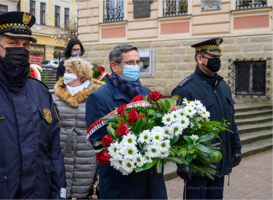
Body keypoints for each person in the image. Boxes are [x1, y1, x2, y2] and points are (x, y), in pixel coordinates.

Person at [0, 11, 66, 199]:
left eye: (25, 45)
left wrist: (59, 193)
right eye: (13, 43)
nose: (21, 49)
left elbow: (54, 151)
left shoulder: (40, 91)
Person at [85, 44, 167, 199]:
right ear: (114, 67)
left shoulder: (149, 95)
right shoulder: (99, 98)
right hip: (122, 186)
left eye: (138, 62)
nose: (136, 67)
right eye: (130, 63)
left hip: (152, 184)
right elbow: (101, 144)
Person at [171, 38, 242, 199]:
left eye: (218, 58)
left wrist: (236, 148)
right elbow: (174, 129)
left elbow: (230, 121)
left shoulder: (223, 86)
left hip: (220, 162)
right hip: (197, 165)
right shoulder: (184, 89)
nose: (217, 61)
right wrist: (181, 162)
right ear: (199, 59)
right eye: (213, 58)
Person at [53, 57, 104, 199]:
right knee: (61, 185)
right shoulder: (56, 95)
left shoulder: (96, 95)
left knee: (83, 187)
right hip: (62, 146)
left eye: (69, 71)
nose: (65, 74)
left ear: (80, 74)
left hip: (86, 149)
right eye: (66, 71)